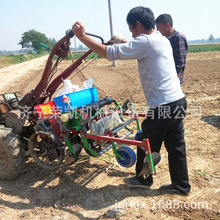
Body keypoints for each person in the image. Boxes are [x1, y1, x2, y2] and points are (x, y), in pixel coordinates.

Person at [72, 6, 191, 195]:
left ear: (137, 24)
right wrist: (124, 41)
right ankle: (181, 185)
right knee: (176, 145)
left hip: (163, 105)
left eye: (131, 29)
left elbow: (107, 52)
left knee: (145, 140)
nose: (132, 33)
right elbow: (140, 49)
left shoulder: (144, 42)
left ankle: (143, 180)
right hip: (178, 101)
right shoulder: (161, 39)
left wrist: (82, 37)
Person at [155, 14, 188, 85]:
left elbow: (180, 63)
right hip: (166, 79)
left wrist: (174, 79)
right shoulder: (165, 39)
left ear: (167, 25)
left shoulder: (178, 38)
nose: (157, 30)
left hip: (173, 80)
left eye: (159, 27)